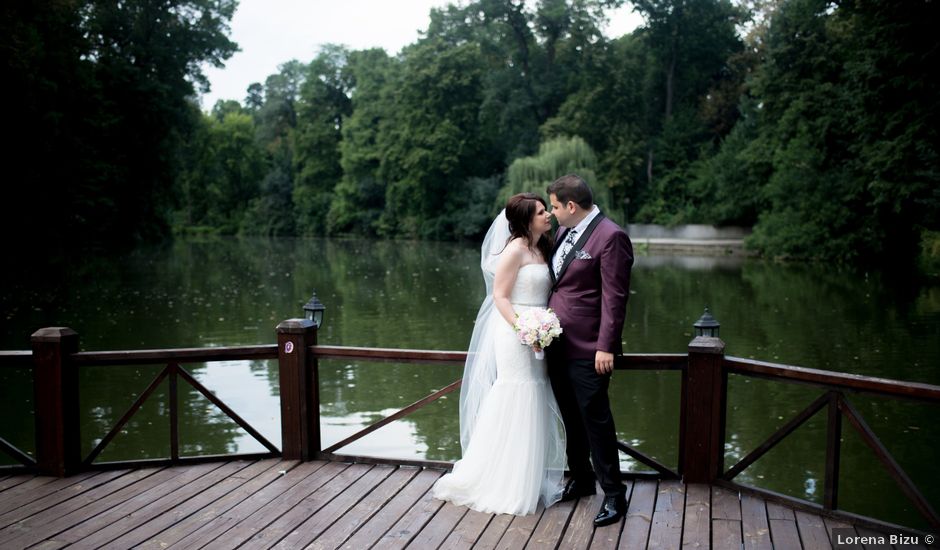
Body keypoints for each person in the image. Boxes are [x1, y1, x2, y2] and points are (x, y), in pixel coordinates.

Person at [432, 193, 566, 515]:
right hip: (514, 331)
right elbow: (501, 297)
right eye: (540, 212)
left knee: (535, 396)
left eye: (546, 210)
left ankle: (526, 478)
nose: (547, 215)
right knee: (515, 395)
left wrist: (541, 329)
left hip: (539, 332)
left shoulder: (543, 246)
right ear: (525, 220)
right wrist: (525, 328)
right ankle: (503, 481)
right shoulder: (514, 251)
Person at [545, 174, 634, 527]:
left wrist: (605, 347)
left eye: (553, 207)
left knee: (596, 421)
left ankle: (614, 494)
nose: (551, 214)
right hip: (556, 344)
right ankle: (581, 480)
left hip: (589, 350)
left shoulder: (611, 237)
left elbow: (615, 297)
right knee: (570, 418)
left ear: (570, 205)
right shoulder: (564, 232)